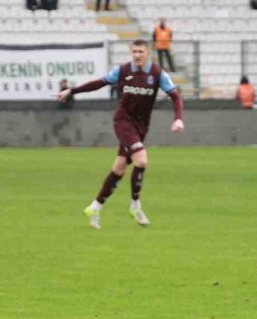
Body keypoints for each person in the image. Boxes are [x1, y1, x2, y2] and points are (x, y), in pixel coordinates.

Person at [57, 39, 185, 229]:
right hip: (123, 122)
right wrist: (72, 91)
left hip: (142, 126)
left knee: (119, 169)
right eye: (134, 51)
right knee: (141, 160)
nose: (137, 55)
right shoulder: (123, 70)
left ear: (148, 52)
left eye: (141, 51)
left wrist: (178, 118)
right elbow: (99, 83)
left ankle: (95, 207)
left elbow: (175, 96)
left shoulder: (157, 73)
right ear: (130, 52)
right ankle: (135, 205)